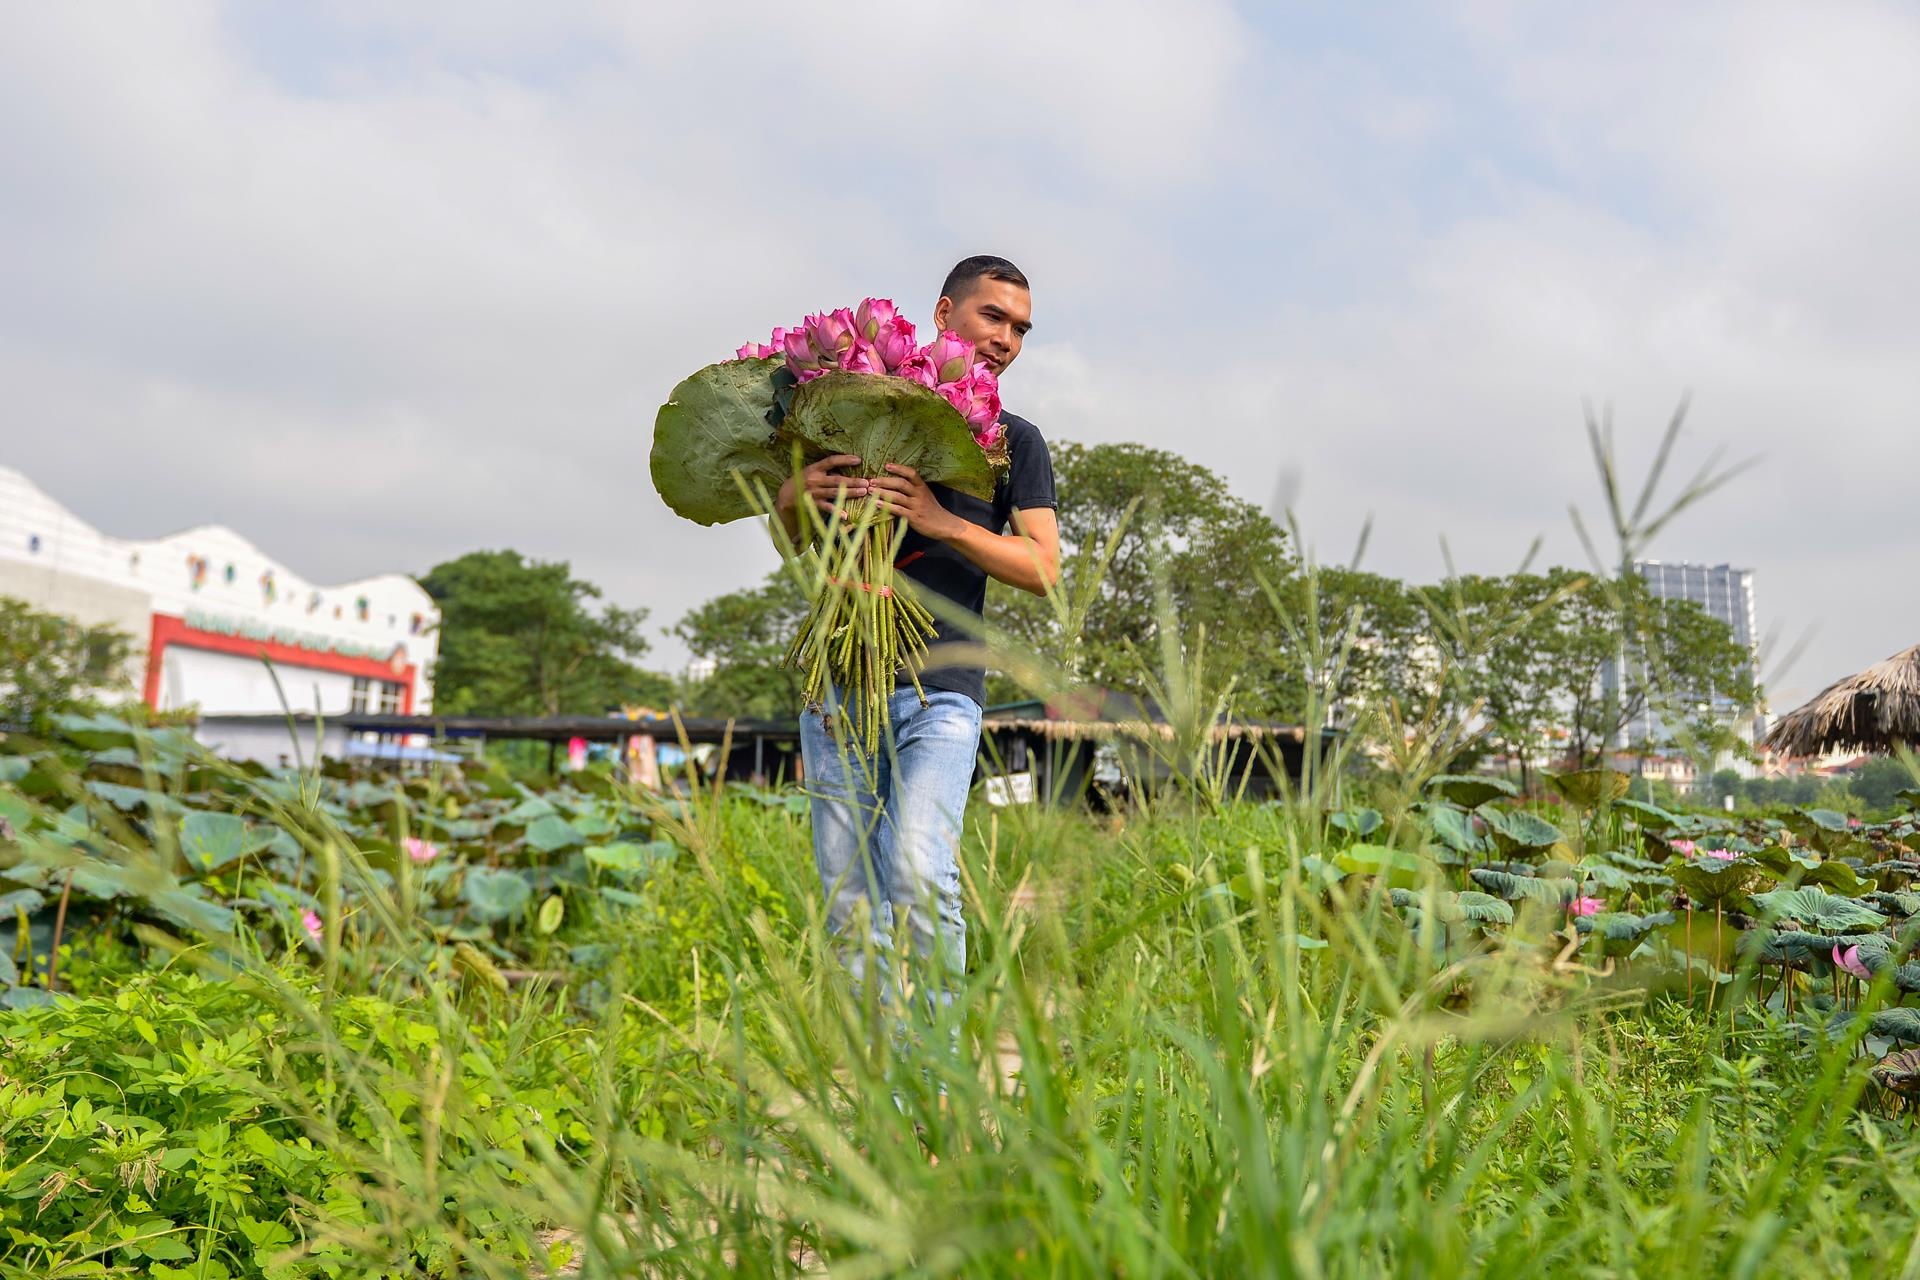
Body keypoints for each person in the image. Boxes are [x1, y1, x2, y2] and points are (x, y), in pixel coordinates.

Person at [772, 255, 1060, 1003]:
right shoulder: (846, 412)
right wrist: (795, 493)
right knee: (847, 903)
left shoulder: (1012, 442)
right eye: (992, 317)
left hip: (944, 690)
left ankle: (940, 1081)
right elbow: (794, 537)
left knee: (917, 869)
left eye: (1020, 329)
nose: (1005, 340)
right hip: (840, 687)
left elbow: (1043, 568)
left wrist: (940, 523)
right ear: (941, 315)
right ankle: (882, 1099)